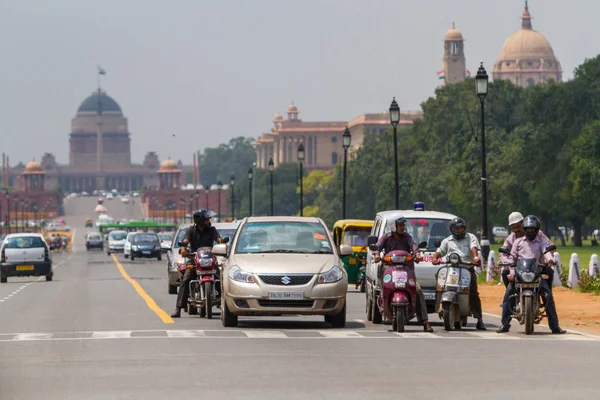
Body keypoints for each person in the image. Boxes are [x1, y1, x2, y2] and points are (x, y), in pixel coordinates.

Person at [497, 215, 565, 334]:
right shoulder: (516, 241)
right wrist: (511, 273)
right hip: (520, 273)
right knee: (508, 294)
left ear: (537, 229)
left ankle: (555, 326)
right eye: (528, 229)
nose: (530, 231)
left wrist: (549, 259)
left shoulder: (541, 238)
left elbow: (547, 249)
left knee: (547, 294)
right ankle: (504, 324)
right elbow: (512, 258)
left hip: (537, 273)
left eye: (533, 229)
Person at [374, 216, 434, 333]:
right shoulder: (386, 238)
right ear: (393, 226)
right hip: (389, 268)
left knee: (417, 290)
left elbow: (414, 247)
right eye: (400, 225)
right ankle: (384, 306)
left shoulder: (407, 237)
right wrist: (376, 254)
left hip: (406, 269)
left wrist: (417, 255)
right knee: (385, 287)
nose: (402, 227)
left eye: (403, 225)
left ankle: (425, 321)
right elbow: (377, 247)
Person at [432, 217, 487, 331]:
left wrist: (476, 258)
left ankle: (479, 319)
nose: (459, 230)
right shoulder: (447, 241)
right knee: (439, 283)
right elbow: (439, 252)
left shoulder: (470, 237)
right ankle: (440, 305)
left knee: (473, 293)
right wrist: (435, 258)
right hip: (451, 269)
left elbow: (473, 248)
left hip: (467, 267)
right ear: (452, 229)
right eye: (457, 228)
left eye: (461, 228)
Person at [170, 209, 225, 318]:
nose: (209, 221)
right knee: (186, 279)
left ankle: (224, 304)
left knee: (222, 277)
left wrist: (222, 243)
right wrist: (183, 248)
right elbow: (185, 241)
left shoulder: (212, 230)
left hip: (209, 258)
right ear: (201, 221)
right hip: (195, 259)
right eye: (207, 219)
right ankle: (178, 308)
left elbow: (219, 239)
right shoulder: (191, 230)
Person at [500, 212, 554, 287]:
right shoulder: (511, 238)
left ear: (523, 223)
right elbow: (503, 254)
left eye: (518, 226)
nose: (516, 230)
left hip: (537, 267)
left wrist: (549, 259)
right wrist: (509, 262)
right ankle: (511, 294)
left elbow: (547, 246)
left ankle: (547, 296)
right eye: (513, 228)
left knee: (549, 272)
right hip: (518, 268)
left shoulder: (538, 234)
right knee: (506, 272)